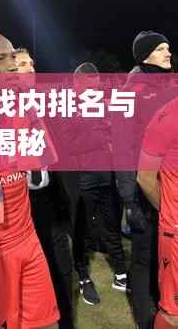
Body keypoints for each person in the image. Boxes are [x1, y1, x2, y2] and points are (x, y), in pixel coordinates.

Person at [0, 32, 59, 329]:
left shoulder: (19, 105)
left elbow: (40, 175)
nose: (13, 65)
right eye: (0, 59)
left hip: (28, 237)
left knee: (47, 323)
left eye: (13, 57)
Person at [115, 31, 173, 329]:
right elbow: (122, 150)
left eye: (168, 48)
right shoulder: (129, 92)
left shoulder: (170, 86)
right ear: (145, 55)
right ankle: (144, 314)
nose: (168, 53)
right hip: (143, 188)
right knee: (143, 254)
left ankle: (162, 300)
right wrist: (129, 199)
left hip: (169, 188)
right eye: (161, 49)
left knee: (163, 254)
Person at [16, 48, 74, 329]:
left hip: (51, 200)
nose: (30, 68)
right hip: (22, 205)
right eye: (22, 64)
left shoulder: (43, 105)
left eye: (31, 64)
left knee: (61, 268)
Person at [69, 62, 127, 306]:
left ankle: (121, 273)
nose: (94, 91)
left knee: (111, 225)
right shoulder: (67, 107)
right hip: (82, 179)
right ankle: (83, 276)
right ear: (77, 84)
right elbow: (69, 146)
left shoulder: (102, 105)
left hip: (106, 176)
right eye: (89, 87)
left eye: (96, 86)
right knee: (81, 230)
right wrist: (99, 136)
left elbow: (115, 135)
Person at [137, 96, 178, 329]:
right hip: (176, 231)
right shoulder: (168, 117)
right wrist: (169, 212)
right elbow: (145, 178)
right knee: (173, 313)